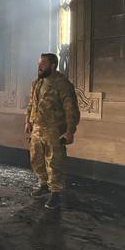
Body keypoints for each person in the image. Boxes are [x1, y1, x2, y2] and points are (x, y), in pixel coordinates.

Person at [25, 53, 80, 210]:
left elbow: (71, 110)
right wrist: (28, 121)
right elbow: (31, 104)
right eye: (39, 64)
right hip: (37, 127)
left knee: (54, 161)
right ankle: (44, 184)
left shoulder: (63, 85)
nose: (39, 67)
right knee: (36, 159)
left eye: (43, 64)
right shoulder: (37, 83)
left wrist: (70, 131)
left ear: (53, 65)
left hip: (54, 129)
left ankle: (55, 193)